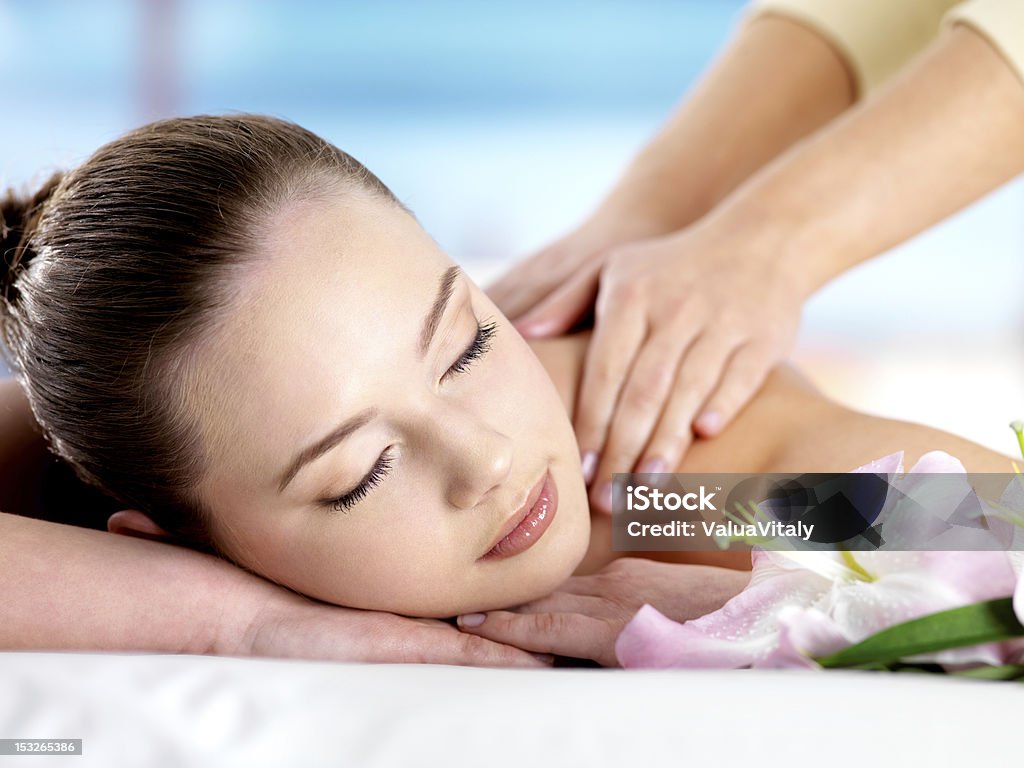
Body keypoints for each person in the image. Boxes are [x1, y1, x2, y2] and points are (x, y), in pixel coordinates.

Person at [0, 115, 1015, 666]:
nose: (486, 457)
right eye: (363, 472)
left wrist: (770, 605)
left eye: (467, 344)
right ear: (179, 542)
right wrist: (232, 621)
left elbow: (995, 531)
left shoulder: (653, 474)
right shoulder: (88, 456)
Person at [487, 0, 1024, 515]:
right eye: (393, 463)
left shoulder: (632, 484)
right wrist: (669, 210)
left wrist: (755, 241)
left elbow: (994, 526)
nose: (481, 460)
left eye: (462, 354)